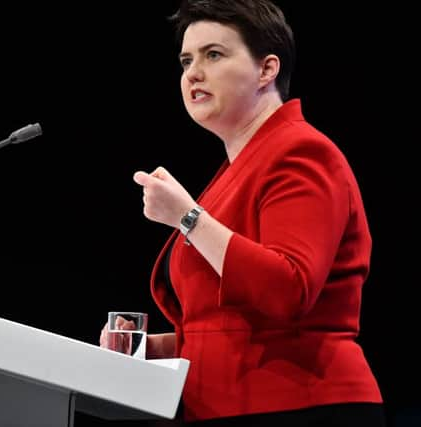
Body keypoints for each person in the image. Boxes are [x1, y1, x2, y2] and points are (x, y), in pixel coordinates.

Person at [100, 0, 385, 425]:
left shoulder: (301, 153)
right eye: (186, 60)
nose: (193, 73)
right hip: (229, 404)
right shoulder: (238, 170)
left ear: (267, 70)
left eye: (213, 55)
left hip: (301, 405)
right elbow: (231, 326)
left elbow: (287, 289)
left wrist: (188, 218)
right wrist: (155, 348)